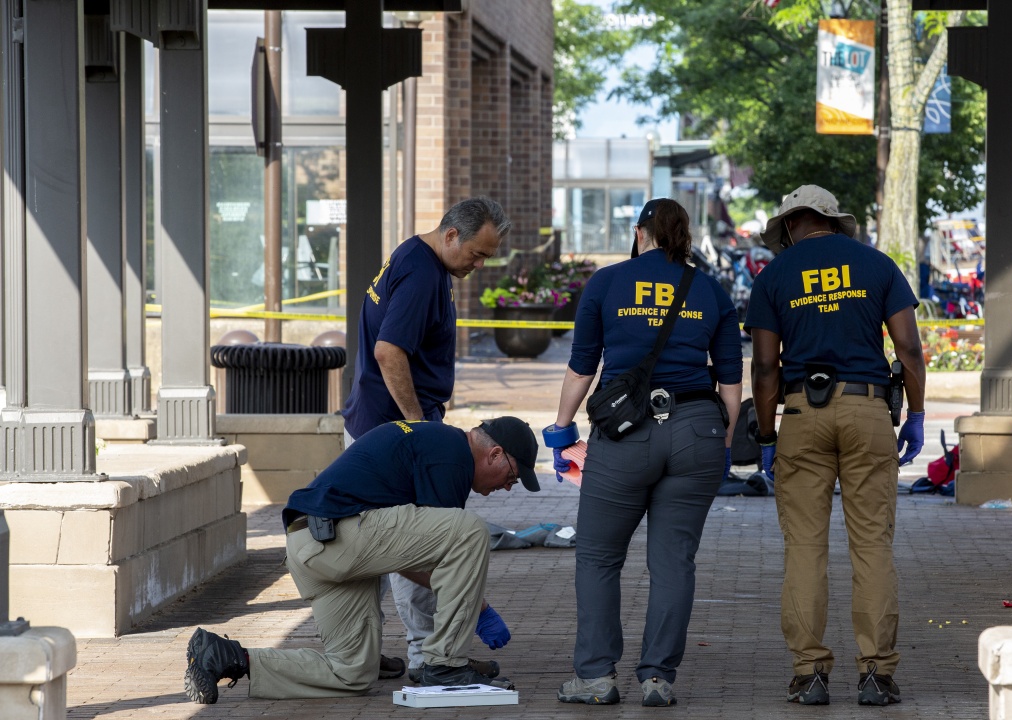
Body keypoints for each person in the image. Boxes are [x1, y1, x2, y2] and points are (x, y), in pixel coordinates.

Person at [182, 417, 541, 703]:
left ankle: (227, 657)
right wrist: (478, 609)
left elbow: (409, 556)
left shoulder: (434, 440)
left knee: (352, 673)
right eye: (512, 476)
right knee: (470, 531)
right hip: (339, 536)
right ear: (494, 453)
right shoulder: (453, 455)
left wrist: (470, 604)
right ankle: (446, 665)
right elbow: (437, 555)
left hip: (311, 543)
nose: (508, 486)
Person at [545, 198, 743, 707]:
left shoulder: (608, 283)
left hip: (625, 433)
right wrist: (720, 445)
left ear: (640, 233)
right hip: (697, 426)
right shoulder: (711, 289)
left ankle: (595, 678)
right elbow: (730, 383)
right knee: (674, 561)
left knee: (597, 556)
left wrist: (562, 430)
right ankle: (658, 678)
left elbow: (582, 367)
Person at [744, 185, 926, 707]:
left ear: (792, 225)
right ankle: (876, 674)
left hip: (802, 412)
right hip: (868, 410)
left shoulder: (774, 276)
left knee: (804, 549)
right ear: (831, 220)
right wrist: (915, 415)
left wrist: (766, 434)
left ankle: (810, 674)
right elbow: (909, 348)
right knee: (872, 546)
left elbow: (763, 367)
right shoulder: (877, 266)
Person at [341, 197, 511, 681]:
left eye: (488, 258)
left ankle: (361, 655)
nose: (479, 266)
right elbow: (389, 350)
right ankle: (428, 658)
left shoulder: (415, 256)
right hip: (392, 434)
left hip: (373, 425)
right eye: (477, 254)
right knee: (418, 542)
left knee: (369, 548)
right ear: (452, 234)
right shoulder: (422, 274)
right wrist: (419, 426)